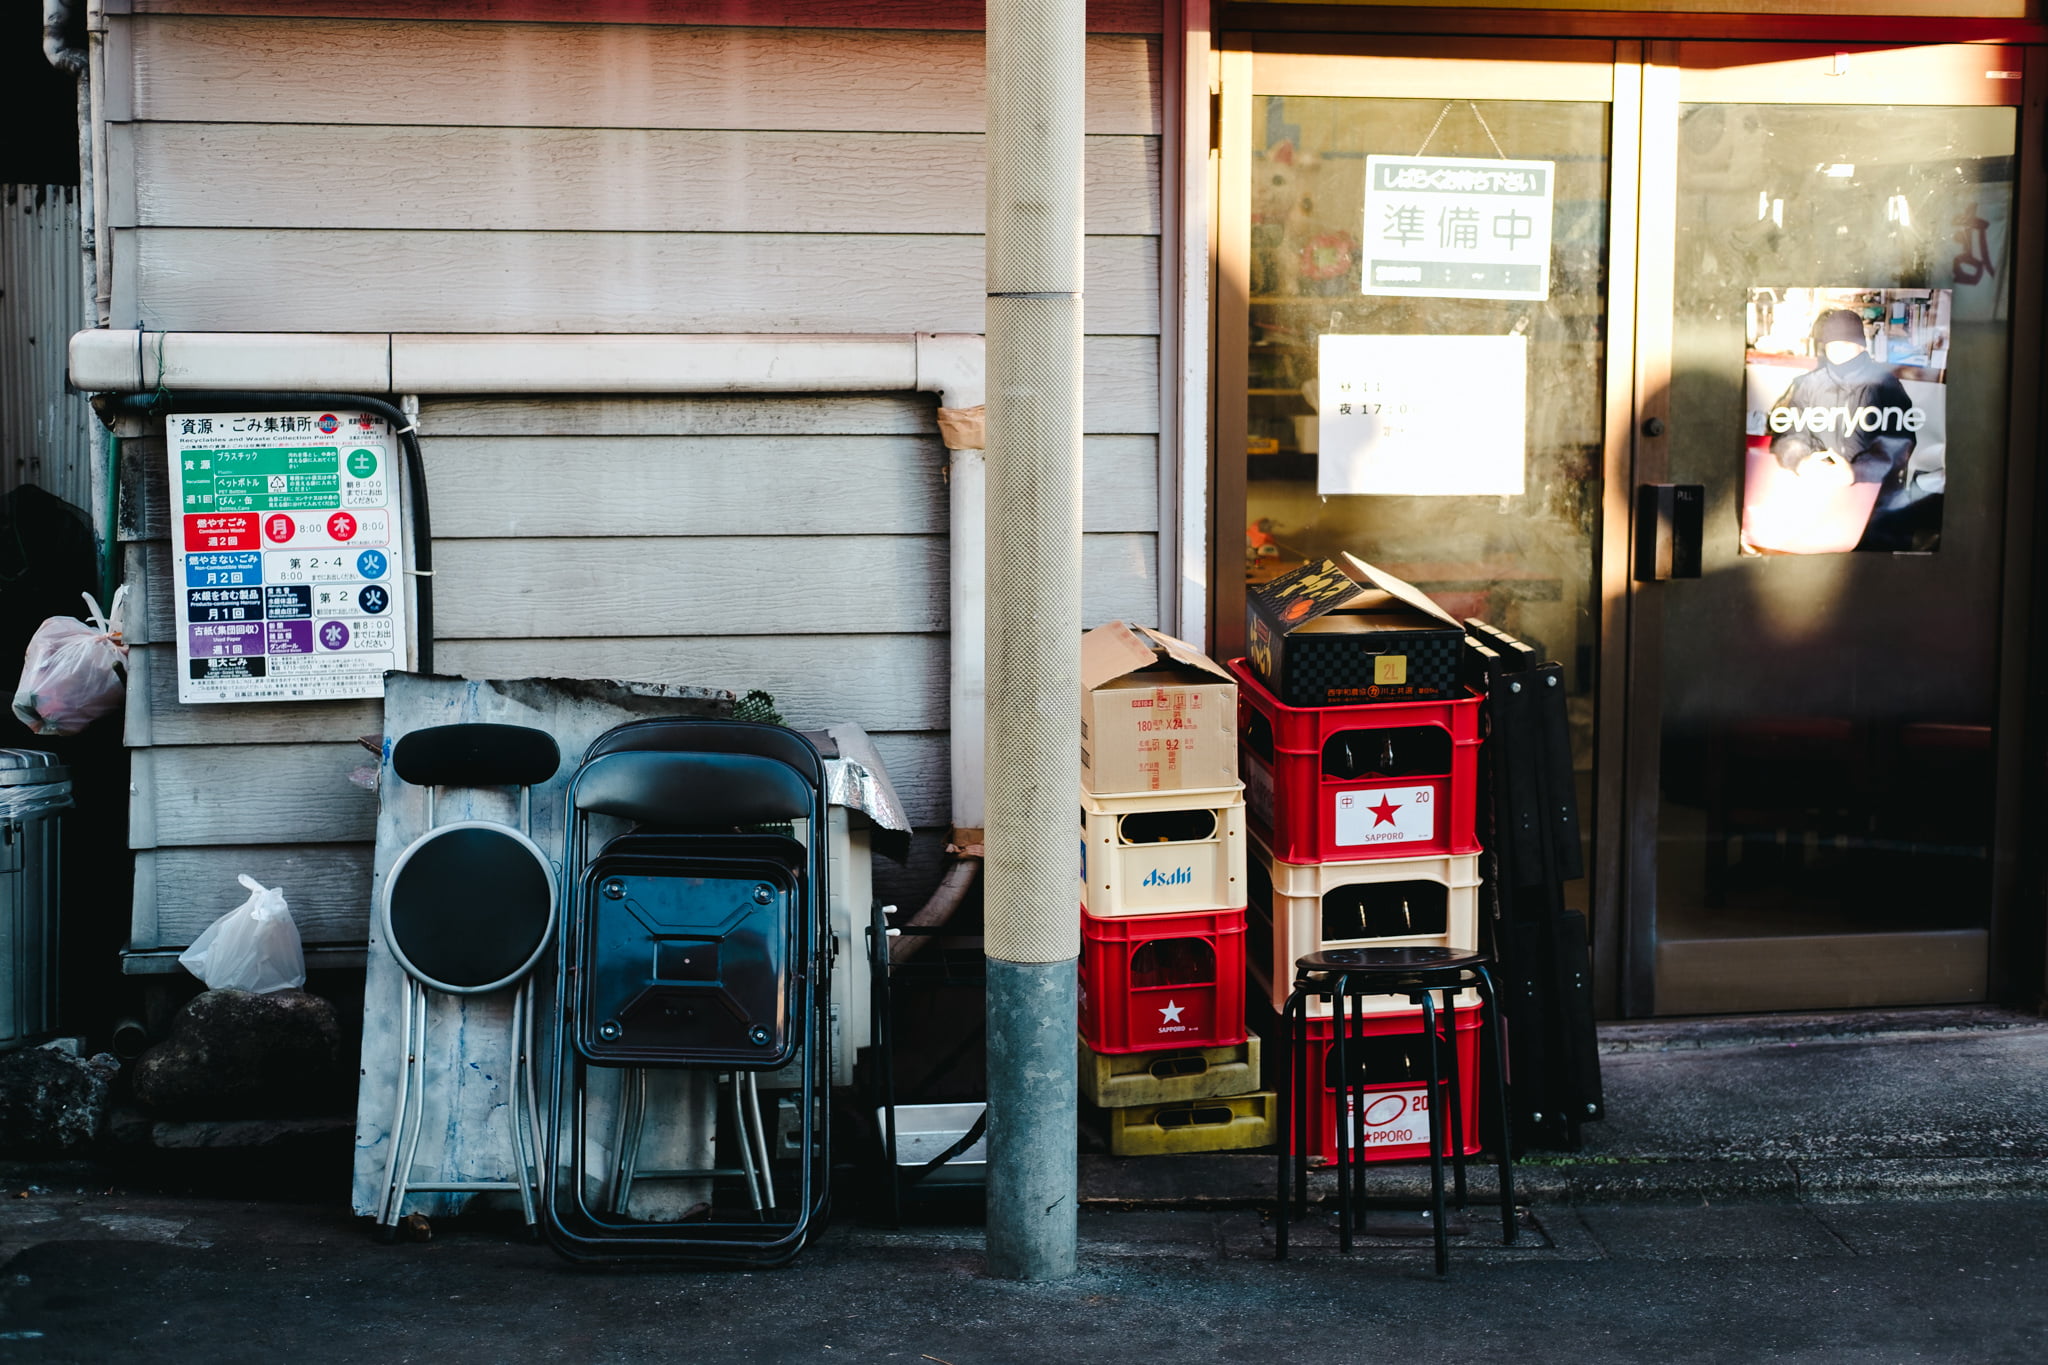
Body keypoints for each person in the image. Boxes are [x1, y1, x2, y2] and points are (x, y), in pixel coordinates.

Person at [1766, 308, 1918, 493]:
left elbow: (1898, 446)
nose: (1837, 350)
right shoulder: (1808, 384)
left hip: (1869, 488)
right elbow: (1789, 434)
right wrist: (1801, 460)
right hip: (1818, 483)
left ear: (1862, 345)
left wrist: (1855, 472)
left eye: (1845, 343)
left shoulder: (1886, 386)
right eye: (1832, 345)